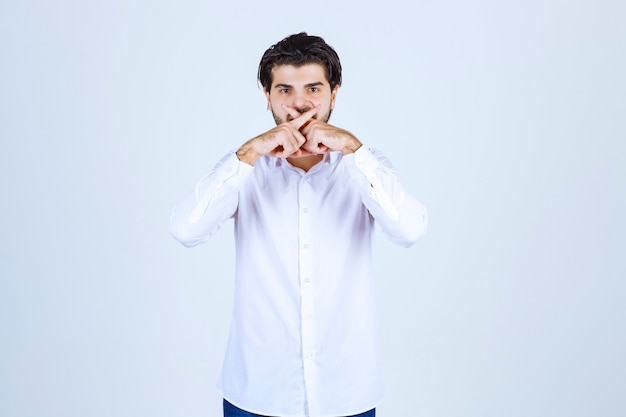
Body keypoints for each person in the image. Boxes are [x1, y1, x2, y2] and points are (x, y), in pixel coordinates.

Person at [170, 32, 427, 417]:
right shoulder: (245, 170)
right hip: (256, 392)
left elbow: (409, 229)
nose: (299, 103)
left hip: (346, 393)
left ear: (334, 95)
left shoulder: (365, 167)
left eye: (313, 88)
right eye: (284, 89)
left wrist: (354, 150)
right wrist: (249, 153)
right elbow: (185, 229)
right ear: (267, 97)